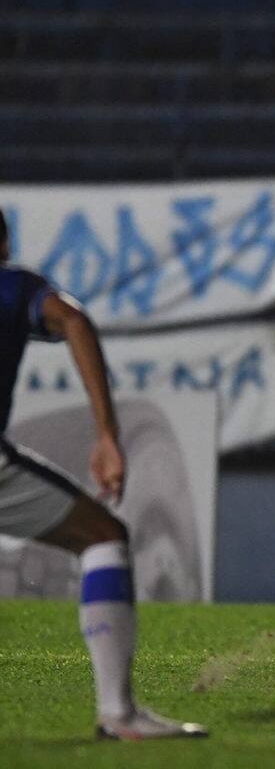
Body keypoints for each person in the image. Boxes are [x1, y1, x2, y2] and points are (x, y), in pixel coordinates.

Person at [0, 208, 207, 740]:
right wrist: (108, 435)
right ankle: (118, 713)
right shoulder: (12, 288)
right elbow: (72, 319)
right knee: (103, 537)